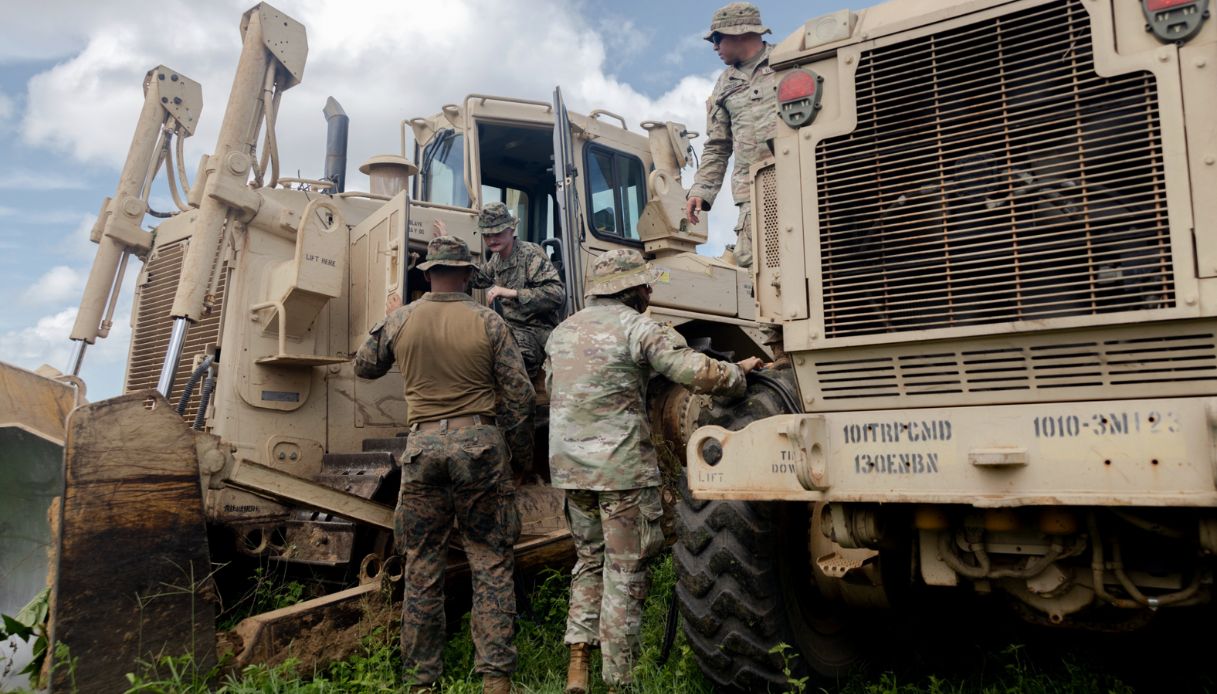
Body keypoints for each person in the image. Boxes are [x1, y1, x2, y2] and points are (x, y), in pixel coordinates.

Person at [545, 249, 763, 693]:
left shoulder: (562, 332)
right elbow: (695, 372)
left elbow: (555, 387)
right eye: (645, 284)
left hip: (571, 470)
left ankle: (577, 666)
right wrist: (739, 374)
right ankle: (618, 679)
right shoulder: (639, 328)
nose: (650, 291)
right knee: (625, 571)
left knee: (588, 562)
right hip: (620, 471)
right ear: (630, 289)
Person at [354, 235, 534, 694]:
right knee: (491, 561)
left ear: (428, 273)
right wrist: (520, 458)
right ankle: (495, 680)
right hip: (481, 447)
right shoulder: (489, 321)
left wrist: (390, 316)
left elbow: (364, 366)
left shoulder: (402, 319)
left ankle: (421, 681)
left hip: (423, 450)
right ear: (468, 275)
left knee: (421, 566)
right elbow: (519, 396)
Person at [684, 2, 776, 269]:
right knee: (759, 265)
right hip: (754, 193)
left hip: (803, 178)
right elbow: (717, 145)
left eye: (717, 38)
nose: (714, 47)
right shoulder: (724, 85)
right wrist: (701, 190)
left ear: (739, 32)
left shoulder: (788, 61)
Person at [435, 201, 566, 377]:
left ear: (511, 230)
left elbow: (556, 294)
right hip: (510, 330)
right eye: (487, 235)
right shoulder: (497, 259)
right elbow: (475, 277)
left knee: (507, 362)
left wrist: (513, 293)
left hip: (536, 332)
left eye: (497, 233)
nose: (491, 240)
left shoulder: (530, 254)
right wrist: (447, 246)